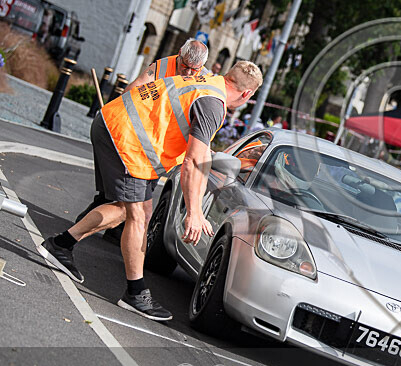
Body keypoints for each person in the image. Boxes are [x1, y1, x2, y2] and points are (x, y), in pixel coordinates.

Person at [38, 61, 263, 322]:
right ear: (247, 95)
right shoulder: (214, 104)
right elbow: (192, 162)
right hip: (126, 141)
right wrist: (193, 213)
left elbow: (199, 156)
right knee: (135, 216)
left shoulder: (207, 83)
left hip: (120, 131)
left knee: (134, 212)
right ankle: (135, 293)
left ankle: (61, 245)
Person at [76, 39, 213, 243]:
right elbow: (137, 86)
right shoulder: (162, 66)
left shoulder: (206, 80)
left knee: (142, 191)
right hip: (143, 137)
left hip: (163, 146)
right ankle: (83, 225)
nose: (189, 73)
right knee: (122, 192)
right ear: (179, 55)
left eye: (195, 69)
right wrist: (118, 110)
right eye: (185, 66)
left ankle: (115, 230)